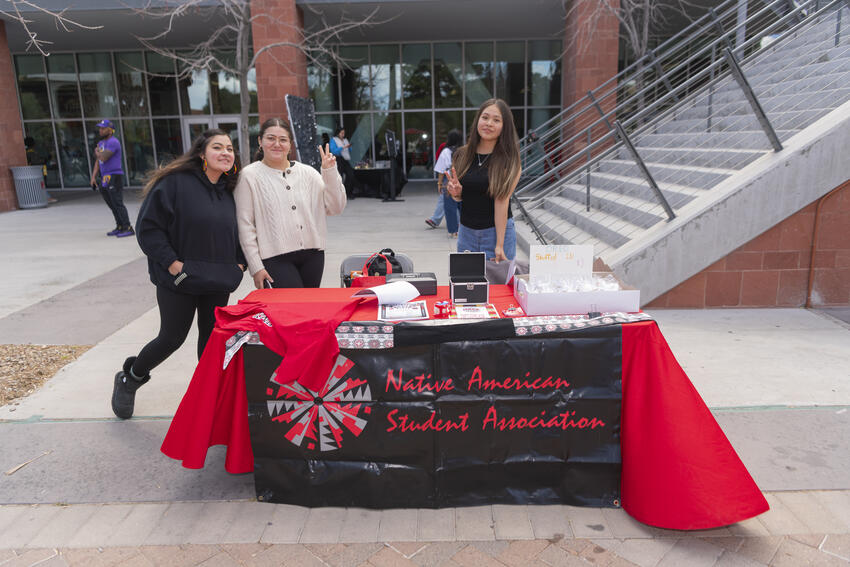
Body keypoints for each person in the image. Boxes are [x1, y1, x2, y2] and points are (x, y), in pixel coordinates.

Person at [111, 129, 245, 420]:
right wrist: (173, 264)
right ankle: (131, 377)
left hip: (217, 279)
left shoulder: (232, 190)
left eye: (230, 148)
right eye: (217, 147)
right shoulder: (174, 184)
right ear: (201, 154)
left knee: (211, 342)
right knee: (171, 338)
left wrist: (240, 264)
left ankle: (209, 402)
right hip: (179, 279)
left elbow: (244, 231)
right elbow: (149, 228)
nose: (225, 153)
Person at [235, 118, 346, 290]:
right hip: (274, 258)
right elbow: (245, 226)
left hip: (313, 255)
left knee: (309, 310)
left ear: (290, 144)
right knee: (289, 313)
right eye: (271, 138)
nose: (277, 144)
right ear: (260, 141)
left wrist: (330, 172)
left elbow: (336, 207)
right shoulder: (249, 176)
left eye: (283, 139)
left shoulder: (308, 173)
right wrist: (256, 266)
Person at [446, 98, 521, 263]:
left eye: (496, 120)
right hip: (466, 232)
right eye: (485, 117)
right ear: (478, 120)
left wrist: (499, 244)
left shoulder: (509, 160)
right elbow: (462, 197)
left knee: (498, 287)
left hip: (496, 233)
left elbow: (502, 201)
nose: (489, 123)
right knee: (467, 286)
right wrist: (456, 194)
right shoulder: (462, 155)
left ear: (504, 127)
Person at [89, 119, 134, 237]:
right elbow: (98, 162)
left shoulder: (114, 142)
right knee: (111, 203)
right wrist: (93, 177)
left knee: (117, 202)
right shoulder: (101, 144)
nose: (100, 130)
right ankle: (119, 226)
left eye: (103, 128)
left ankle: (128, 227)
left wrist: (97, 152)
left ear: (110, 130)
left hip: (115, 175)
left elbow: (103, 158)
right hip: (105, 177)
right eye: (100, 128)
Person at [426, 129, 463, 237]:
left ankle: (454, 230)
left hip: (450, 177)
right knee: (462, 204)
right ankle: (464, 227)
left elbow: (442, 170)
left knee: (450, 206)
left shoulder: (446, 151)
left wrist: (440, 183)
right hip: (462, 177)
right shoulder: (463, 150)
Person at [329, 126, 360, 199]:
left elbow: (350, 150)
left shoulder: (345, 140)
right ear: (338, 133)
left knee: (351, 174)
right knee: (339, 177)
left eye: (344, 133)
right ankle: (339, 195)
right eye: (342, 133)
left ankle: (348, 192)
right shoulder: (334, 140)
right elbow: (333, 151)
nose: (343, 134)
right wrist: (343, 147)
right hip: (338, 159)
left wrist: (349, 147)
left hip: (345, 159)